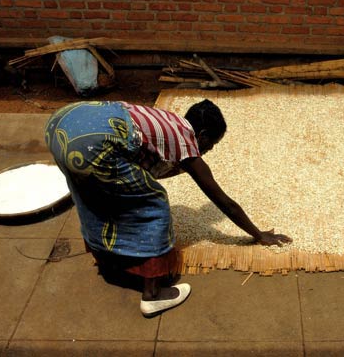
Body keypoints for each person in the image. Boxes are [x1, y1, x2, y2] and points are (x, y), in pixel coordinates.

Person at [44, 100, 292, 317]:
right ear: (202, 134)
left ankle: (109, 259)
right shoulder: (186, 144)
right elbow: (223, 201)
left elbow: (148, 163)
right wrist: (259, 234)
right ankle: (152, 295)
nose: (206, 151)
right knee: (153, 200)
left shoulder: (172, 122)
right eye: (211, 145)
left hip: (63, 126)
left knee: (98, 193)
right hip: (92, 147)